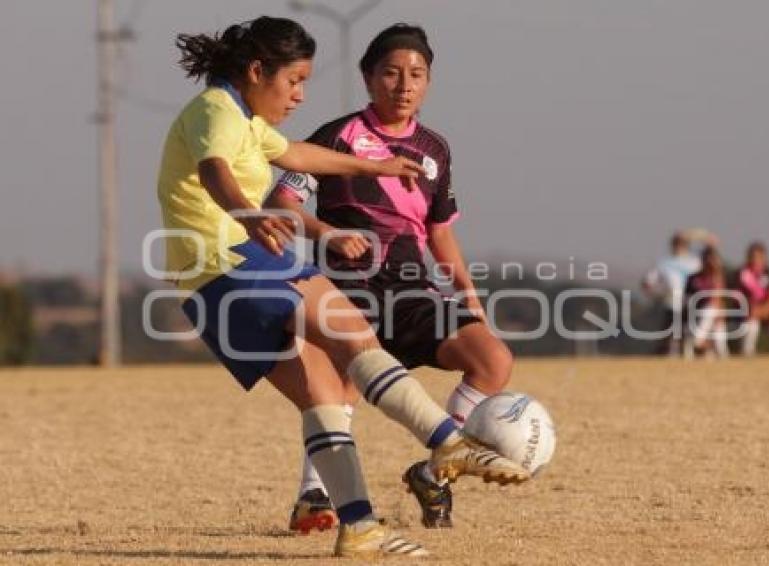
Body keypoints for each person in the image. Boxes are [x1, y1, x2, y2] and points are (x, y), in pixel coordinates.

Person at [157, 17, 528, 559]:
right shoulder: (217, 110)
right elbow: (215, 171)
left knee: (323, 397)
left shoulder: (245, 118)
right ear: (258, 71)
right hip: (239, 258)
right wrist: (250, 215)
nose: (300, 95)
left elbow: (300, 156)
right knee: (355, 335)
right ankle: (449, 444)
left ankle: (356, 527)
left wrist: (373, 166)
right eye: (294, 81)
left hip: (206, 290)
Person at [264, 23, 516, 532]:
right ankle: (315, 497)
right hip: (346, 289)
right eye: (392, 73)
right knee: (334, 388)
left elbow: (439, 234)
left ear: (429, 82)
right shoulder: (336, 138)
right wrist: (328, 233)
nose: (404, 85)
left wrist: (469, 295)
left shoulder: (435, 151)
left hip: (411, 291)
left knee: (492, 358)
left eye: (416, 75)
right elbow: (279, 204)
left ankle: (433, 474)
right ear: (368, 77)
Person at [642, 229, 717, 355]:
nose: (679, 246)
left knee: (693, 336)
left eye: (682, 243)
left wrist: (693, 235)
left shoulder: (695, 262)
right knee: (671, 337)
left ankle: (706, 353)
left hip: (693, 305)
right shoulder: (664, 263)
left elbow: (712, 243)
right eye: (677, 243)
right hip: (672, 305)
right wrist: (658, 293)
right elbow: (647, 283)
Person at [683, 247, 729, 358]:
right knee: (709, 310)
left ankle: (705, 344)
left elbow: (718, 299)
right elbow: (687, 301)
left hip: (715, 318)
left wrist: (716, 275)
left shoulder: (718, 277)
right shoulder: (693, 278)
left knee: (720, 347)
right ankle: (705, 345)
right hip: (696, 317)